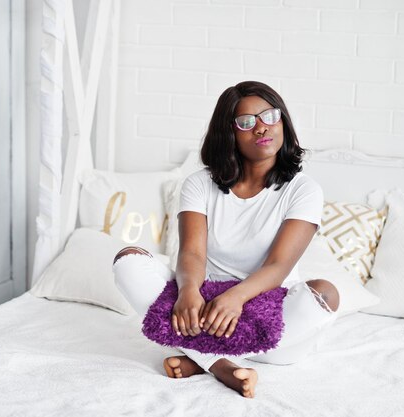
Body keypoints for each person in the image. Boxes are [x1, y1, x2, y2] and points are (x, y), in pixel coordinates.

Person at [112, 81, 340, 398]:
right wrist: (189, 292)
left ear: (283, 121)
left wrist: (235, 299)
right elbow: (191, 253)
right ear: (228, 133)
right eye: (246, 122)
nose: (262, 128)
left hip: (270, 318)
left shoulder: (304, 190)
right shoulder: (199, 184)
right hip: (204, 307)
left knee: (325, 295)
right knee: (128, 262)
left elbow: (279, 265)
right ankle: (223, 366)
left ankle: (203, 359)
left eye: (270, 116)